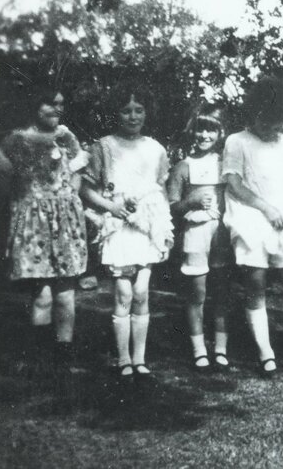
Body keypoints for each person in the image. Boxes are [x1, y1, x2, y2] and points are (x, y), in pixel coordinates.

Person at [223, 76, 283, 376]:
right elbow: (234, 184)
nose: (270, 128)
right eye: (265, 120)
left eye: (276, 122)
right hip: (252, 220)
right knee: (256, 286)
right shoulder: (237, 141)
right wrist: (266, 208)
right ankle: (266, 354)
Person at [81, 85, 173, 380]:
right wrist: (112, 205)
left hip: (145, 225)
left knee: (142, 291)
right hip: (118, 225)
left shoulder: (155, 148)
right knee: (122, 292)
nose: (133, 116)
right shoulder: (103, 147)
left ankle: (140, 358)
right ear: (115, 114)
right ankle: (123, 358)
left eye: (139, 110)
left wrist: (158, 225)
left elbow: (159, 190)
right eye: (126, 110)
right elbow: (86, 188)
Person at [2, 89, 89, 377]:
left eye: (61, 104)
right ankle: (40, 356)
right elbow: (6, 176)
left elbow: (78, 168)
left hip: (65, 222)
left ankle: (63, 355)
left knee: (66, 292)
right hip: (34, 223)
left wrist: (70, 195)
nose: (57, 109)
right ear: (34, 104)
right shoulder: (18, 139)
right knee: (42, 294)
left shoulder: (66, 136)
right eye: (51, 103)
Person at [166, 105, 232, 372]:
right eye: (200, 128)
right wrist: (190, 201)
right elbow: (171, 206)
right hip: (194, 233)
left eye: (211, 129)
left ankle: (221, 348)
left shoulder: (225, 164)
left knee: (222, 290)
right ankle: (198, 350)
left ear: (220, 132)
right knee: (197, 292)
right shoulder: (183, 166)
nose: (204, 134)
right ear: (191, 131)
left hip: (221, 233)